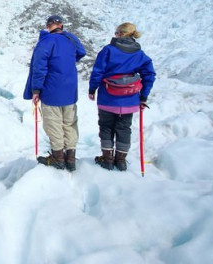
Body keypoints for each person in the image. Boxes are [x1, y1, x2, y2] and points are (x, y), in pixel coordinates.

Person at [88, 22, 156, 171]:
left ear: (120, 34)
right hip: (129, 99)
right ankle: (121, 161)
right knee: (124, 128)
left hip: (108, 97)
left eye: (116, 32)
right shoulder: (139, 54)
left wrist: (92, 89)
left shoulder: (108, 50)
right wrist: (143, 96)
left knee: (106, 127)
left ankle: (107, 159)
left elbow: (98, 71)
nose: (115, 35)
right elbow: (149, 75)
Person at [23, 15, 86, 171]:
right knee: (70, 122)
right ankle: (70, 157)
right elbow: (81, 52)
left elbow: (39, 68)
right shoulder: (71, 40)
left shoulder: (46, 42)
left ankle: (58, 157)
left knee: (53, 122)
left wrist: (36, 89)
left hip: (51, 88)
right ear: (61, 25)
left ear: (48, 26)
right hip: (70, 89)